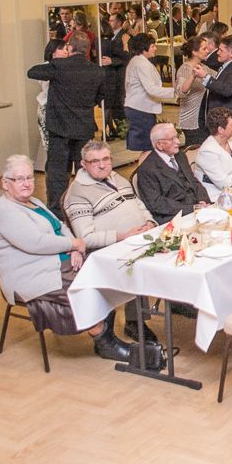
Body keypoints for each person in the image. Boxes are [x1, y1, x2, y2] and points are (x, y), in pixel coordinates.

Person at [0, 154, 132, 362]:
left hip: (60, 261)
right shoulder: (5, 211)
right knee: (87, 289)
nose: (26, 183)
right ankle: (105, 342)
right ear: (5, 183)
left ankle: (105, 333)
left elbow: (61, 226)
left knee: (105, 272)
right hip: (33, 274)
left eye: (29, 178)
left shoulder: (33, 202)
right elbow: (36, 243)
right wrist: (73, 245)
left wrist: (75, 248)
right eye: (19, 179)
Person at [64, 141, 159, 344]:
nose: (102, 165)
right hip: (106, 251)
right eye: (95, 161)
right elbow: (85, 237)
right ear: (83, 164)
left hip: (137, 239)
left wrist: (149, 222)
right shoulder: (78, 192)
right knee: (140, 262)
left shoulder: (118, 178)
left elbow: (138, 204)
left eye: (106, 159)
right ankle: (132, 322)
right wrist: (122, 236)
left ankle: (174, 304)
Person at [26, 31, 106, 218]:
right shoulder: (97, 71)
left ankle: (57, 211)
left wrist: (54, 61)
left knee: (58, 174)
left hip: (59, 129)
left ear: (70, 47)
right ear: (88, 49)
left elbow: (32, 72)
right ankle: (85, 207)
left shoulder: (59, 66)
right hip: (84, 127)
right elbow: (100, 96)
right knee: (85, 170)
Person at [135, 123, 211, 223]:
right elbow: (157, 203)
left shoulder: (180, 156)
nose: (178, 142)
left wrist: (203, 201)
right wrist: (192, 208)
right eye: (172, 139)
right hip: (174, 218)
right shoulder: (147, 169)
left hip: (197, 209)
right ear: (159, 145)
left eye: (177, 137)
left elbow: (193, 181)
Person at [124, 33, 176, 152]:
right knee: (146, 147)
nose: (155, 48)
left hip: (140, 108)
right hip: (140, 109)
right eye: (153, 46)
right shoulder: (141, 64)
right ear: (144, 48)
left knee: (146, 147)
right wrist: (174, 92)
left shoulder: (138, 61)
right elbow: (151, 89)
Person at [194, 107, 232, 200]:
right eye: (231, 125)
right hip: (217, 198)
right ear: (221, 130)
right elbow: (223, 183)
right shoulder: (207, 152)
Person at [191, 35, 232, 136]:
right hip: (223, 122)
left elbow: (227, 90)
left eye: (221, 50)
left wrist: (206, 77)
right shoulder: (227, 66)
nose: (217, 53)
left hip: (229, 123)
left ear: (231, 53)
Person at [101, 12, 131, 138]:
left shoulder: (124, 36)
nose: (110, 23)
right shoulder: (107, 39)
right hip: (109, 75)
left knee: (117, 103)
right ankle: (113, 128)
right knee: (111, 104)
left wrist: (112, 61)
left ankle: (118, 128)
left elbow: (127, 57)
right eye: (109, 21)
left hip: (119, 74)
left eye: (112, 20)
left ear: (119, 22)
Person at [175, 35, 209, 147]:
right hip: (191, 119)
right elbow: (181, 91)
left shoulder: (203, 67)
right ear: (194, 52)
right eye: (204, 48)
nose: (207, 51)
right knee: (195, 150)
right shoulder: (185, 69)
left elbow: (216, 77)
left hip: (201, 118)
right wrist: (192, 76)